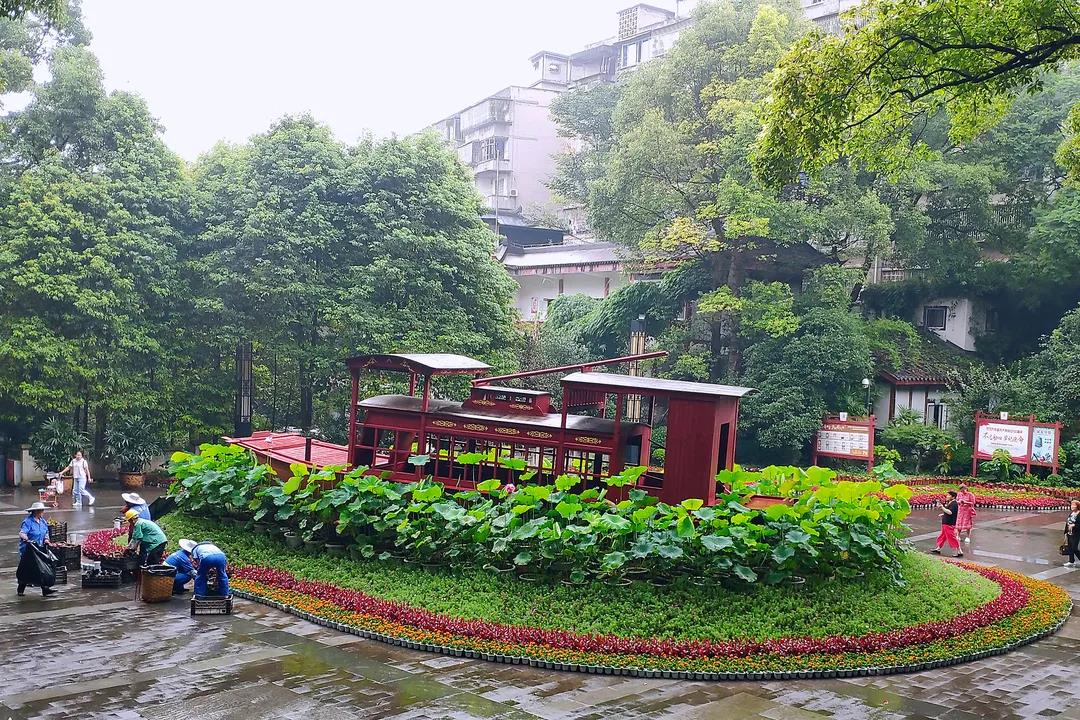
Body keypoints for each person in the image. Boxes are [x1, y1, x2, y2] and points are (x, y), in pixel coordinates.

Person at [17, 501, 58, 597]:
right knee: (27, 569)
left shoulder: (43, 521)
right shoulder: (28, 522)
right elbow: (22, 533)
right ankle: (21, 588)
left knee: (41, 568)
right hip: (28, 550)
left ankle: (45, 589)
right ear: (36, 511)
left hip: (39, 549)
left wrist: (47, 539)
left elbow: (46, 532)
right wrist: (26, 539)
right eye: (42, 510)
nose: (43, 512)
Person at [930, 490, 964, 558]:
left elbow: (950, 512)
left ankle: (956, 551)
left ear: (953, 497)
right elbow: (950, 513)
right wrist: (944, 514)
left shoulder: (954, 504)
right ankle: (938, 548)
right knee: (942, 536)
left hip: (949, 524)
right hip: (946, 523)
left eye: (948, 495)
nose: (947, 496)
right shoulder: (951, 503)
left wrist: (942, 508)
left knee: (951, 537)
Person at [1064, 500, 1080, 568]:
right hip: (1069, 533)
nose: (1072, 506)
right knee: (1070, 548)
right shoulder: (1071, 513)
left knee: (1074, 548)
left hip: (1076, 534)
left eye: (1074, 505)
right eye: (1071, 505)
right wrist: (1065, 532)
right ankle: (1071, 561)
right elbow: (1067, 523)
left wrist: (1074, 525)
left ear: (1077, 506)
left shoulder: (1079, 514)